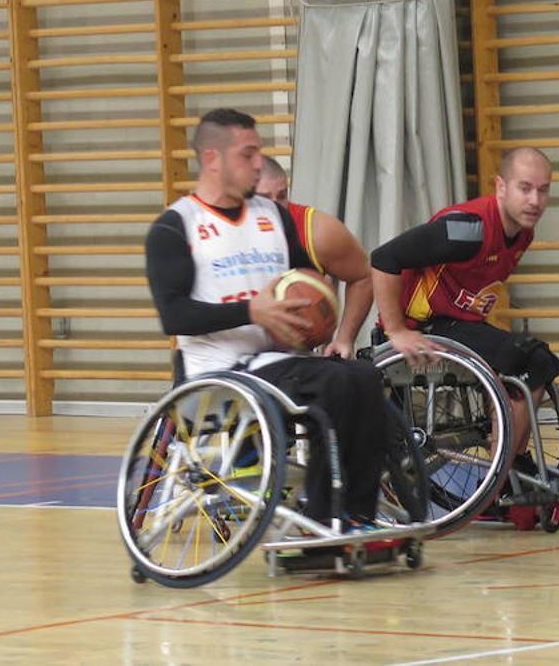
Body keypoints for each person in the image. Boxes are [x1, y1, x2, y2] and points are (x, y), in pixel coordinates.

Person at [144, 107, 387, 527]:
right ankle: (322, 521)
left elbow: (303, 280)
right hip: (215, 374)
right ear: (213, 160)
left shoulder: (272, 217)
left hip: (274, 362)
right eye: (248, 154)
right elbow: (174, 315)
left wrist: (316, 311)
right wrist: (250, 310)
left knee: (362, 377)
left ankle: (357, 513)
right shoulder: (175, 226)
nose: (259, 164)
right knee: (328, 387)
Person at [369, 146, 559, 465]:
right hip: (428, 323)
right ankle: (506, 471)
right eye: (525, 188)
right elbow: (383, 258)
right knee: (535, 361)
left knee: (527, 362)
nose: (535, 200)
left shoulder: (523, 233)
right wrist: (396, 330)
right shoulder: (467, 230)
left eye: (543, 191)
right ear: (501, 187)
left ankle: (510, 463)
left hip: (458, 324)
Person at [254, 156, 373, 359]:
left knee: (362, 378)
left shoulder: (317, 231)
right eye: (264, 199)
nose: (275, 206)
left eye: (282, 196)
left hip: (296, 354)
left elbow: (363, 276)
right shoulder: (221, 234)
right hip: (236, 351)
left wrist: (344, 338)